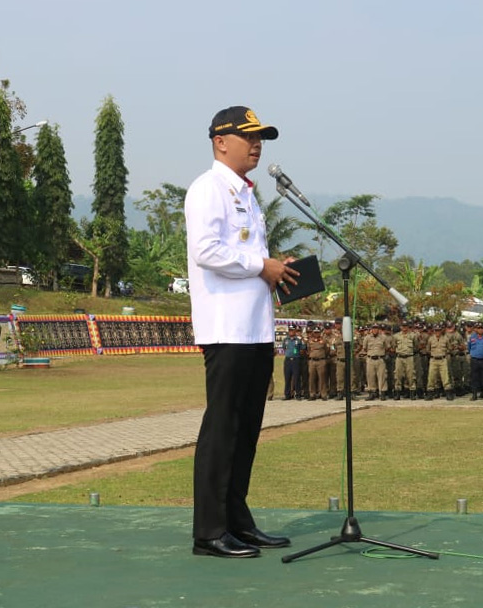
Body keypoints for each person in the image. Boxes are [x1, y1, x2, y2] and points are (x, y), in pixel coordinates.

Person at [185, 105, 296, 558]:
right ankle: (209, 531)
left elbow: (248, 256)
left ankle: (237, 521)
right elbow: (207, 250)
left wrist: (274, 269)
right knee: (223, 427)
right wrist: (260, 264)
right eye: (248, 136)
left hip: (254, 328)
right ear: (219, 141)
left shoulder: (246, 193)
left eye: (261, 138)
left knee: (247, 428)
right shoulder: (208, 188)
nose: (257, 145)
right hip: (226, 327)